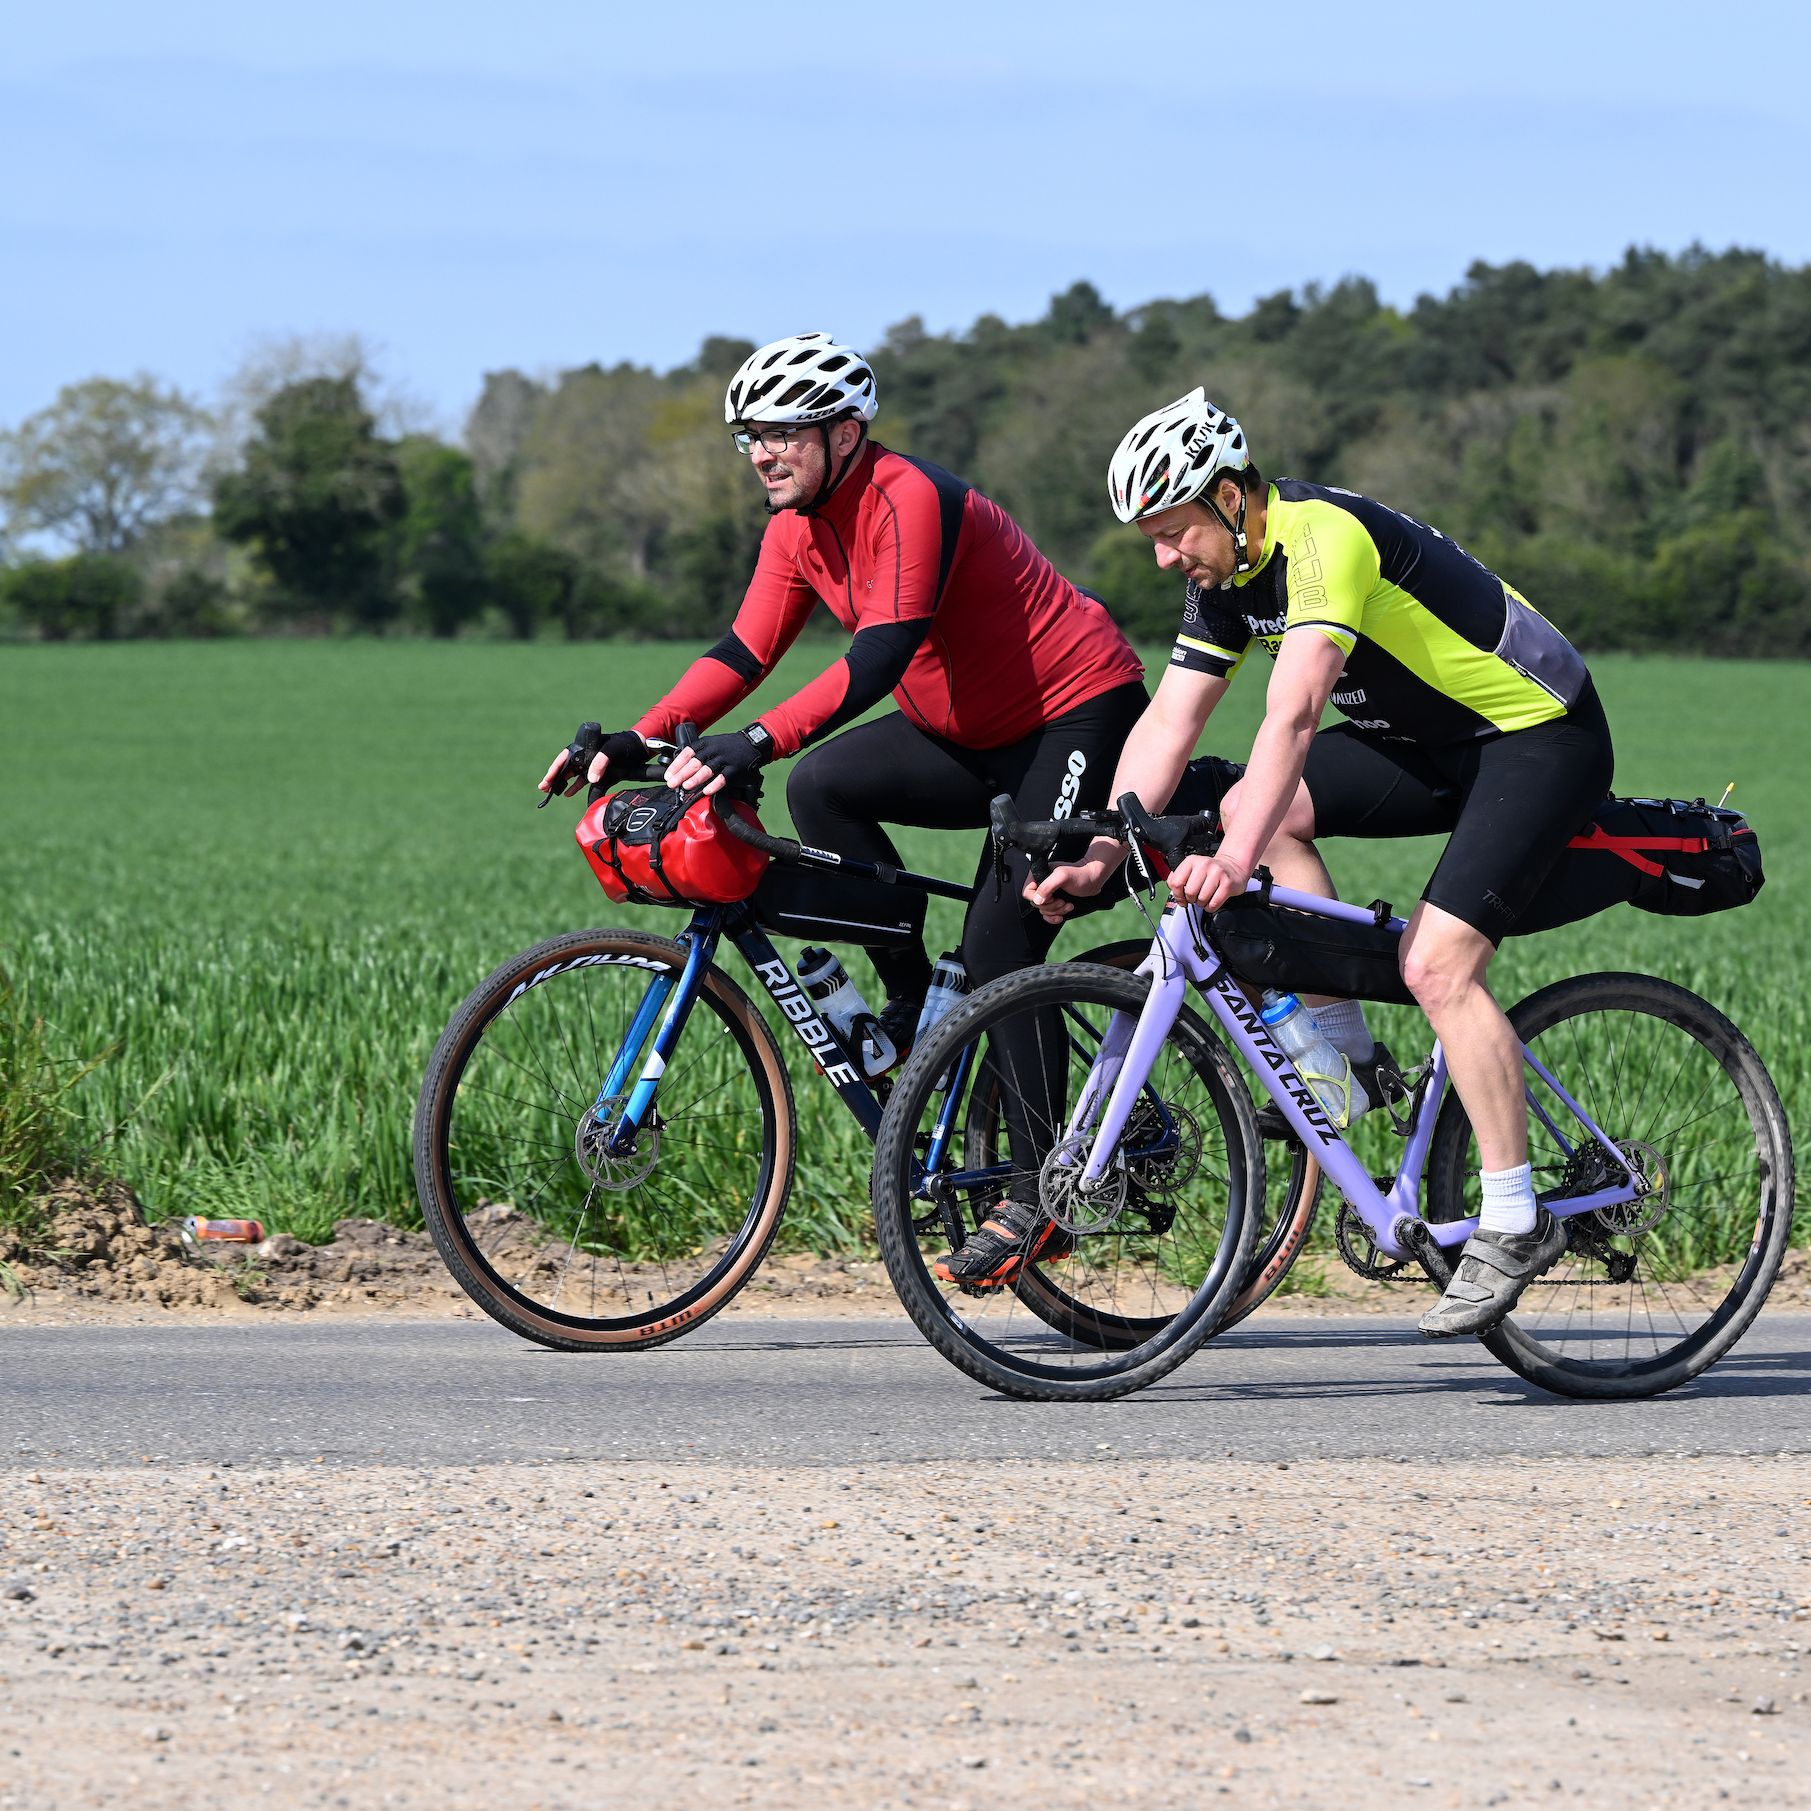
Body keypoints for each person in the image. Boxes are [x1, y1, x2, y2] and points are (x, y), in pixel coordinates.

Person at [539, 331, 1148, 1288]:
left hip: (1073, 711)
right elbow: (743, 653)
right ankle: (911, 1005)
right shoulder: (795, 526)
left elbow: (880, 658)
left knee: (1003, 941)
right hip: (963, 729)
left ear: (846, 433)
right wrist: (639, 738)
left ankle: (1038, 1195)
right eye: (751, 436)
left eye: (782, 432)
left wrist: (757, 740)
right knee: (824, 787)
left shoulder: (909, 499)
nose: (762, 454)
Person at [1030, 386, 1615, 1338]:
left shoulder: (1321, 540)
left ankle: (1512, 1218)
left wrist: (1236, 858)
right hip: (1425, 743)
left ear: (1228, 495)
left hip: (1532, 735)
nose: (1164, 556)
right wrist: (1105, 843)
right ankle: (1344, 1060)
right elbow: (1170, 719)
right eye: (1151, 537)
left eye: (1173, 531)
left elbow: (1293, 715)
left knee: (1436, 963)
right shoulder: (1222, 578)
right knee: (1236, 807)